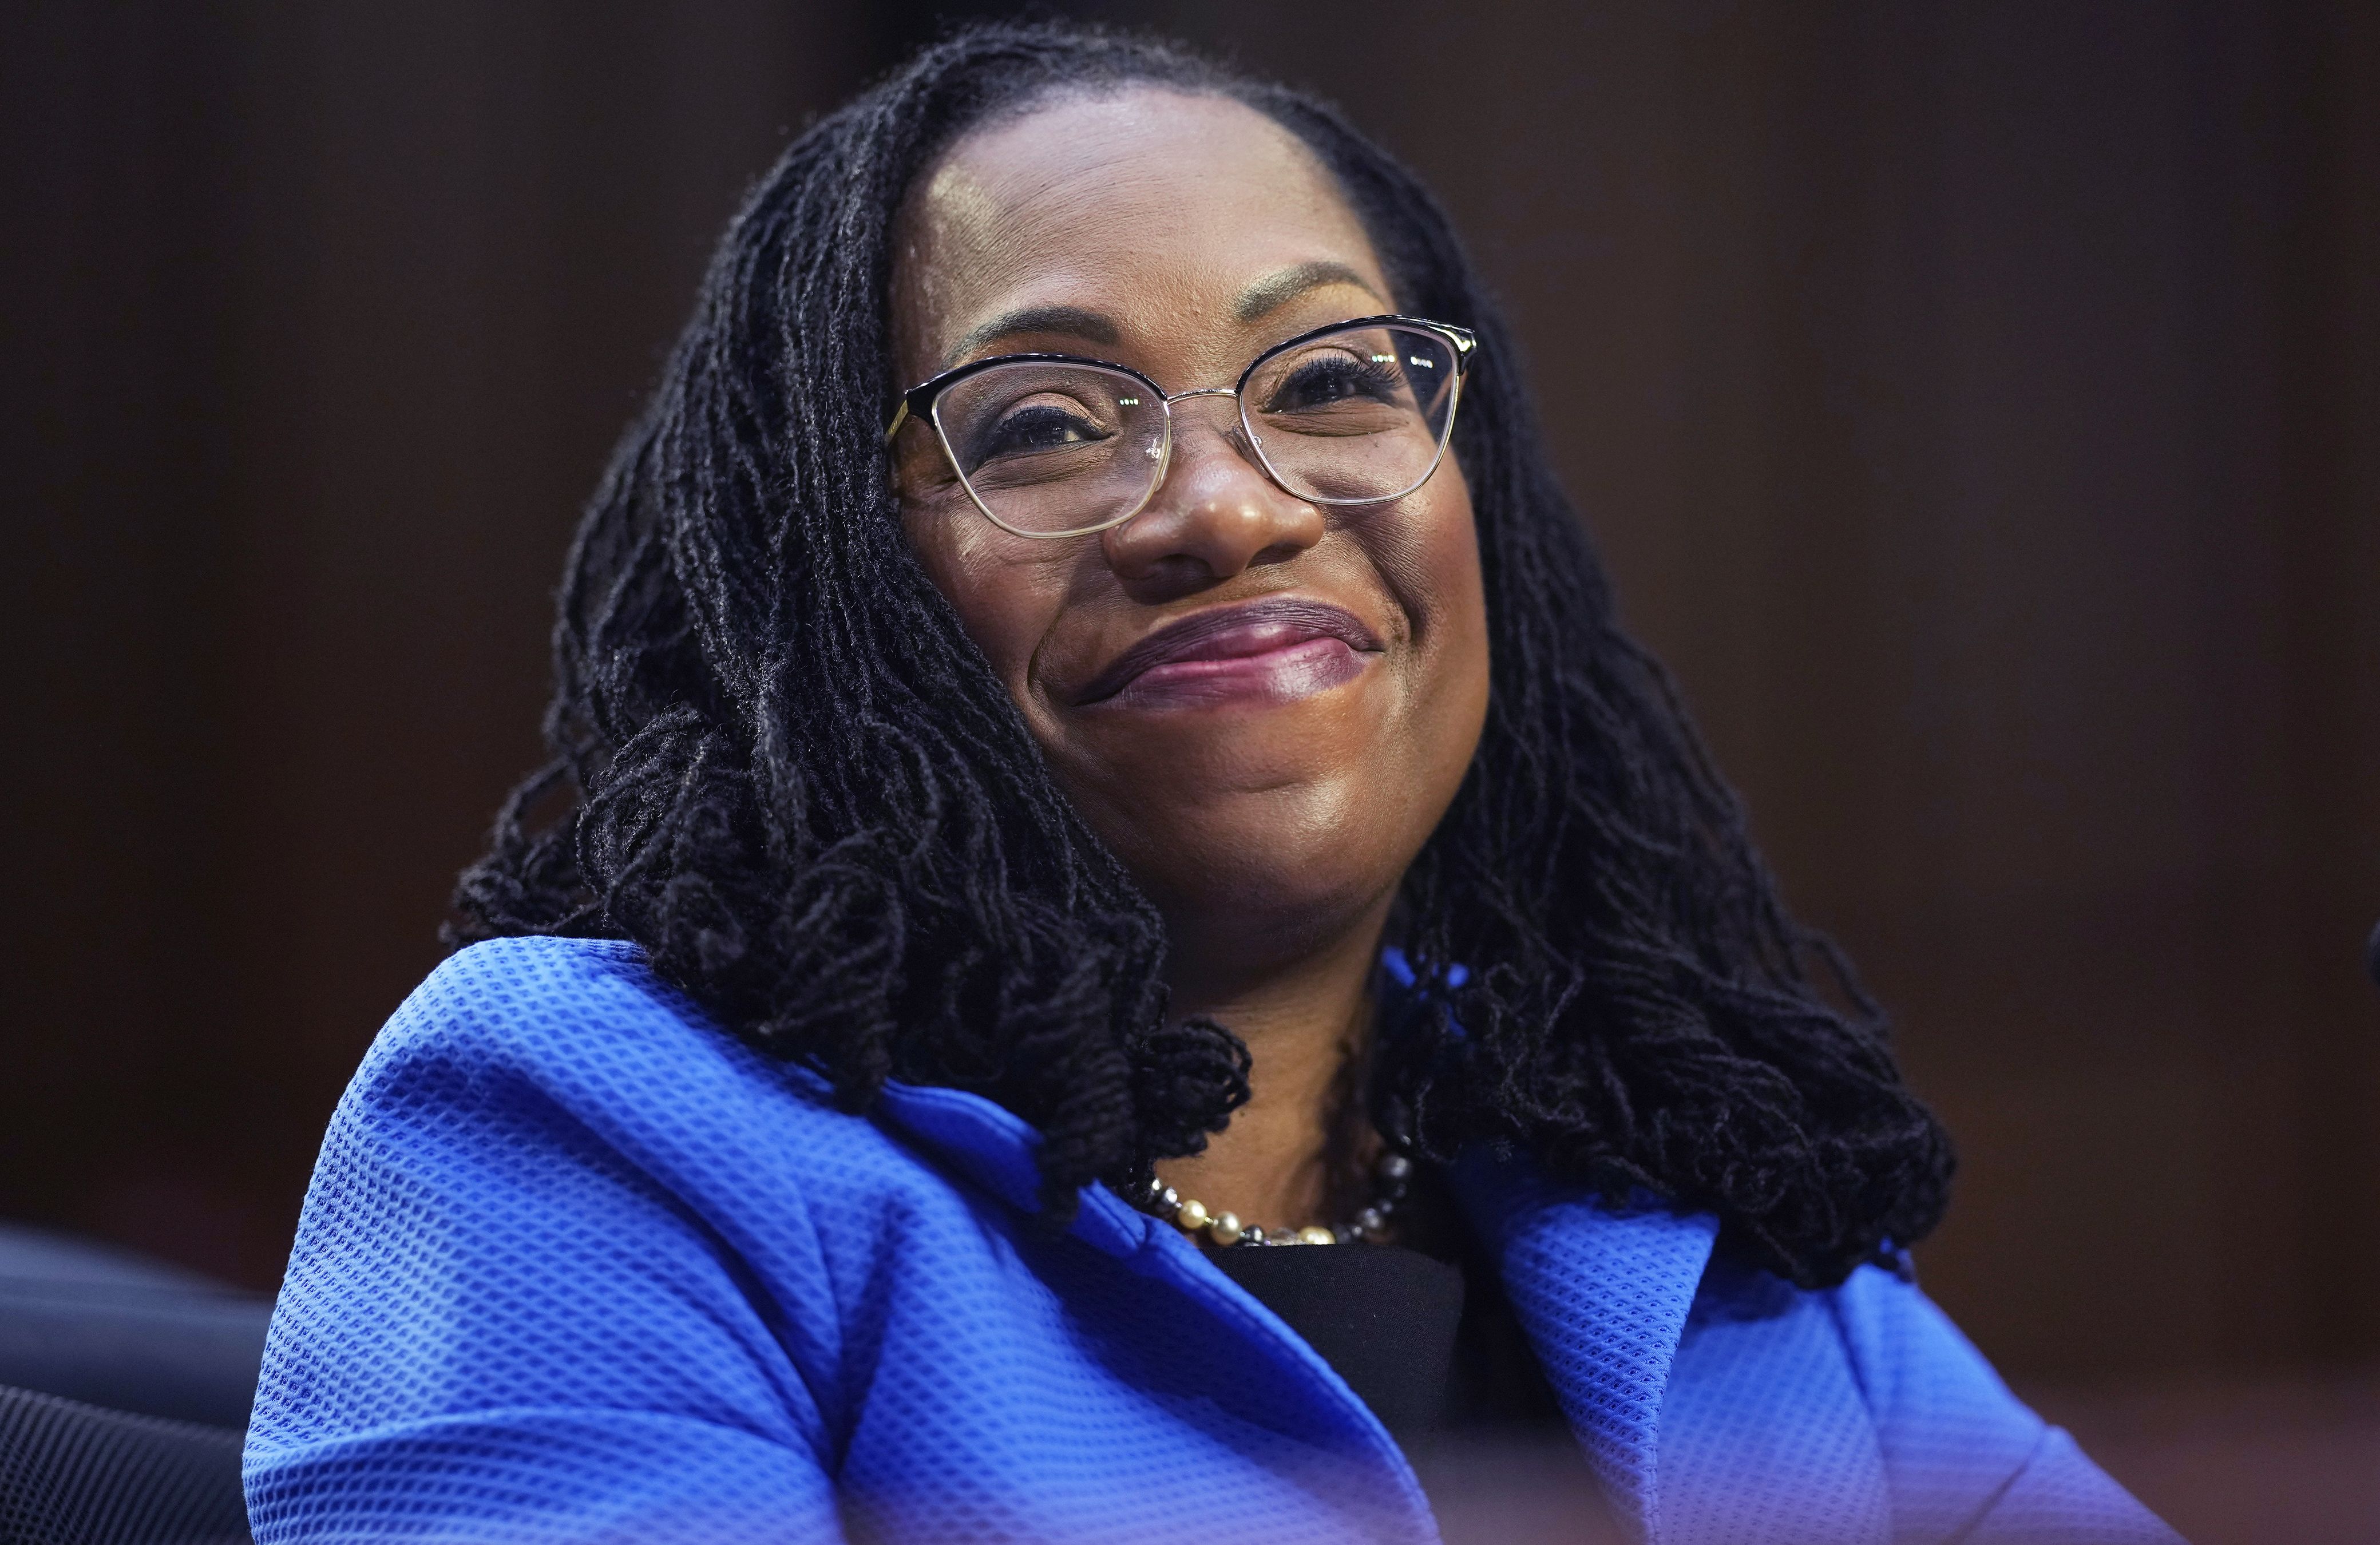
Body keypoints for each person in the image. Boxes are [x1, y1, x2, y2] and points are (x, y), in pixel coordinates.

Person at [244, 23, 2180, 1545]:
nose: (1228, 508)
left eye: (1331, 382)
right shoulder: (597, 1126)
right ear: (830, 578)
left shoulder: (1677, 1190)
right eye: (1044, 423)